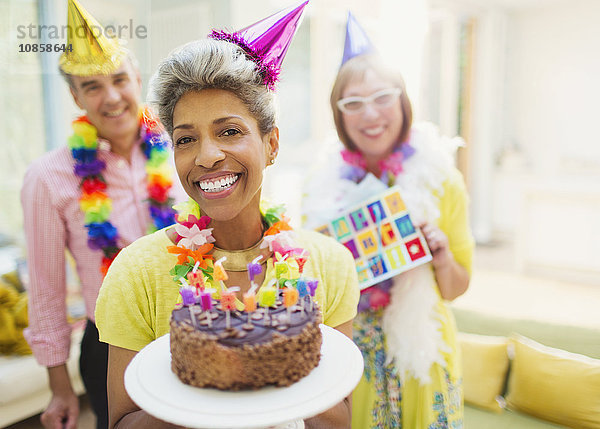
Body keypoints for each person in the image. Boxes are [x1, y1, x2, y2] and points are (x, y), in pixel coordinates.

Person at [95, 3, 359, 429]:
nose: (208, 156)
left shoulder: (329, 265)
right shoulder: (135, 272)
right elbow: (122, 423)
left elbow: (338, 420)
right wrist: (207, 395)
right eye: (186, 139)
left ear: (271, 143)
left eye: (230, 131)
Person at [302, 13, 474, 428]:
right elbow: (310, 289)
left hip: (421, 350)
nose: (370, 114)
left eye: (382, 96)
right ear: (339, 115)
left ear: (403, 101)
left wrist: (441, 256)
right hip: (349, 350)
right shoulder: (320, 188)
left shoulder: (441, 179)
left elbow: (456, 288)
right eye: (353, 103)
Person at [21, 1, 182, 428]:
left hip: (188, 325)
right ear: (74, 95)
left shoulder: (179, 148)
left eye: (119, 79)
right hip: (109, 343)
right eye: (91, 86)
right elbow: (46, 292)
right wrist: (59, 388)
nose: (111, 97)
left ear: (137, 79)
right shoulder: (47, 178)